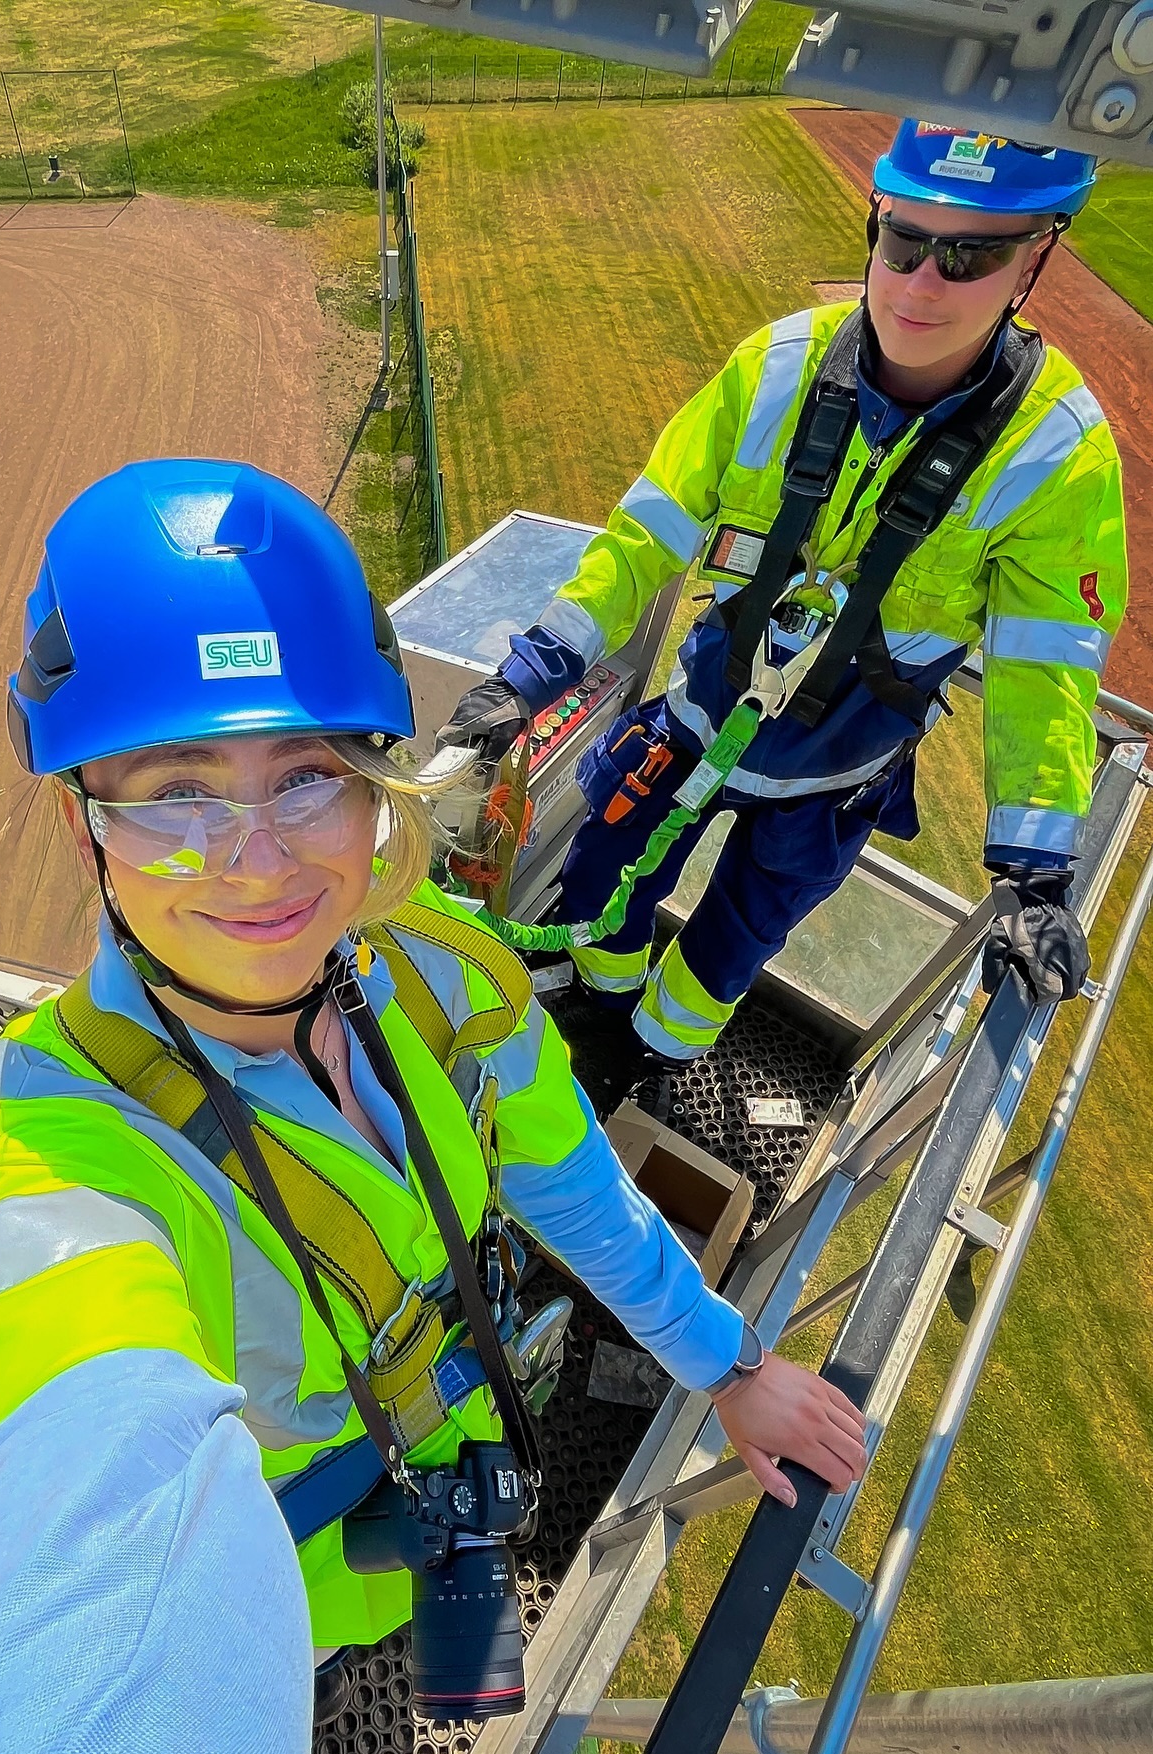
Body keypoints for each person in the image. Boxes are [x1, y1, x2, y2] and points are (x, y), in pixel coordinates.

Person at [0, 459, 867, 1754]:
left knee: (505, 1734)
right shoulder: (36, 1164)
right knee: (375, 1741)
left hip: (460, 1505)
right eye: (176, 788)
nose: (262, 859)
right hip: (292, 1614)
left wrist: (731, 1367)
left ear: (372, 782)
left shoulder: (446, 976)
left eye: (306, 774)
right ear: (80, 819)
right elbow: (94, 1487)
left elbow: (579, 1196)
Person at [440, 122, 1126, 1061]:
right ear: (874, 227)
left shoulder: (1054, 457)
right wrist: (531, 673)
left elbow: (1044, 669)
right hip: (698, 718)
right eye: (906, 242)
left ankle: (657, 1057)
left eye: (971, 257)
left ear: (1034, 259)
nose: (923, 283)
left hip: (834, 776)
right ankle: (604, 1012)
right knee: (602, 876)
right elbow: (647, 538)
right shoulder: (775, 371)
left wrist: (1036, 876)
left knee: (731, 946)